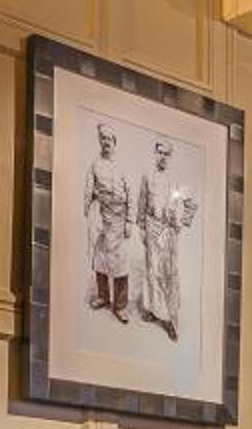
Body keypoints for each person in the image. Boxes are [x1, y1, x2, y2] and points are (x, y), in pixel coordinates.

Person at [136, 139, 195, 342]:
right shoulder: (147, 175)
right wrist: (142, 228)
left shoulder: (177, 178)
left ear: (171, 156)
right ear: (155, 153)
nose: (162, 156)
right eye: (159, 152)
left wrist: (181, 224)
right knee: (152, 271)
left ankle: (169, 319)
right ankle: (152, 310)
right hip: (151, 227)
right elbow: (141, 203)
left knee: (168, 274)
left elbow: (191, 204)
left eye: (166, 153)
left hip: (168, 231)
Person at [82, 124, 134, 319]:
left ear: (114, 142)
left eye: (109, 138)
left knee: (120, 262)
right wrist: (89, 213)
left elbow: (131, 195)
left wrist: (129, 222)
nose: (106, 142)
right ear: (99, 141)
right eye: (102, 138)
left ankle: (120, 306)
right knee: (100, 258)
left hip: (119, 219)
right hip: (101, 218)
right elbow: (88, 190)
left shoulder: (123, 166)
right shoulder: (94, 165)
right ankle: (103, 296)